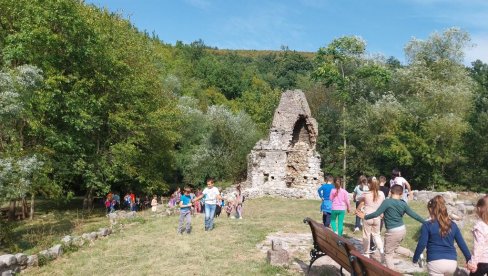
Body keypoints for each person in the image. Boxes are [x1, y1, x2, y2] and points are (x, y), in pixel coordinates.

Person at [356, 184, 425, 269]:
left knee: (388, 254)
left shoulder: (387, 202)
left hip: (392, 232)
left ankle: (392, 273)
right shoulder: (403, 203)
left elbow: (377, 213)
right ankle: (416, 256)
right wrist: (425, 222)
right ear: (401, 193)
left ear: (390, 192)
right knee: (395, 248)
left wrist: (365, 216)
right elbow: (414, 215)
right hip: (402, 230)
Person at [412, 195, 472, 275]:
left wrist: (415, 259)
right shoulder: (453, 225)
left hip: (435, 262)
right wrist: (469, 259)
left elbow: (422, 244)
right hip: (452, 263)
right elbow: (462, 244)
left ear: (431, 209)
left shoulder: (427, 225)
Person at [356, 176, 385, 258]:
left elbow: (358, 198)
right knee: (377, 235)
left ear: (369, 184)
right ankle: (381, 250)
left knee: (366, 235)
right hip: (377, 217)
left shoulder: (366, 194)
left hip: (367, 217)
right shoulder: (381, 194)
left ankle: (366, 253)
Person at [468, 195, 488, 276]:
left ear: (479, 209)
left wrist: (473, 263)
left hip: (482, 262)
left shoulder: (480, 226)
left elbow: (478, 247)